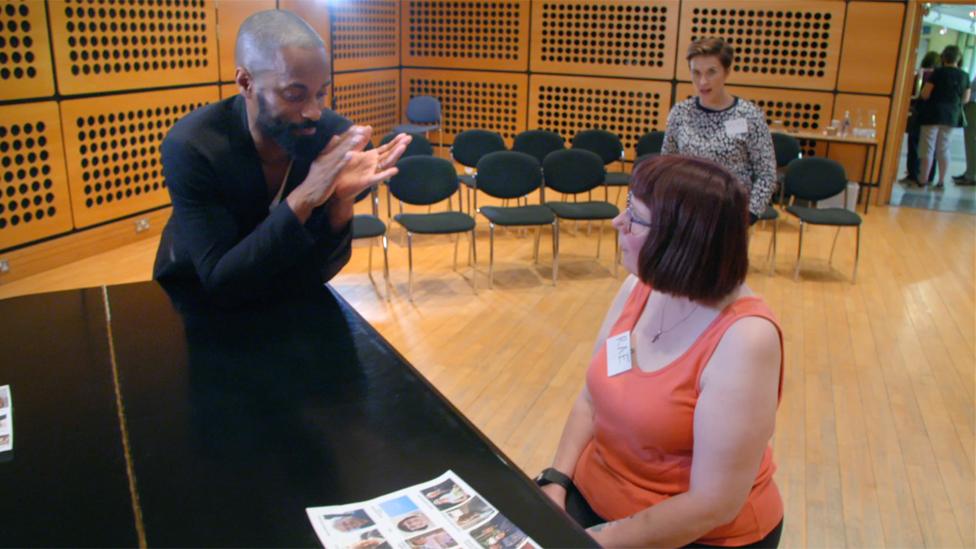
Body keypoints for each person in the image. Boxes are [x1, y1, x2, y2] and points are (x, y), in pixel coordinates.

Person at [538, 155, 784, 547]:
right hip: (594, 496)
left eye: (634, 217)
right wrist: (556, 481)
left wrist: (596, 541)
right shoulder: (642, 287)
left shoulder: (746, 340)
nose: (618, 223)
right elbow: (591, 398)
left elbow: (712, 504)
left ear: (681, 238)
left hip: (695, 533)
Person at [153, 10, 411, 303]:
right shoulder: (194, 145)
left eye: (321, 93)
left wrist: (341, 201)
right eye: (294, 95)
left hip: (285, 290)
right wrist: (305, 196)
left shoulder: (330, 137)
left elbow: (321, 270)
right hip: (195, 294)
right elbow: (220, 278)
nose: (314, 111)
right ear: (246, 83)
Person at [661, 38, 776, 225]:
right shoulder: (680, 113)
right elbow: (667, 165)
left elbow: (766, 174)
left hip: (731, 215)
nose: (703, 81)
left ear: (727, 72)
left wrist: (749, 215)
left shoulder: (749, 115)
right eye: (696, 73)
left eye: (711, 72)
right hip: (687, 214)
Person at [917, 45, 971, 190]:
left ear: (943, 57)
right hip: (951, 116)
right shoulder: (965, 76)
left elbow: (925, 94)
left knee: (928, 148)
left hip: (933, 113)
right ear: (958, 58)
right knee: (944, 148)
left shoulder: (937, 73)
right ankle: (941, 181)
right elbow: (965, 99)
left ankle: (923, 180)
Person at [901, 51, 941, 185]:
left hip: (919, 112)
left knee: (914, 143)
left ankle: (913, 173)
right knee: (931, 146)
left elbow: (914, 93)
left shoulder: (921, 75)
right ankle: (929, 175)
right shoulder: (940, 76)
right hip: (936, 116)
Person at [953, 74, 976, 186]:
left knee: (971, 141)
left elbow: (972, 89)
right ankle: (970, 172)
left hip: (974, 106)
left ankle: (971, 175)